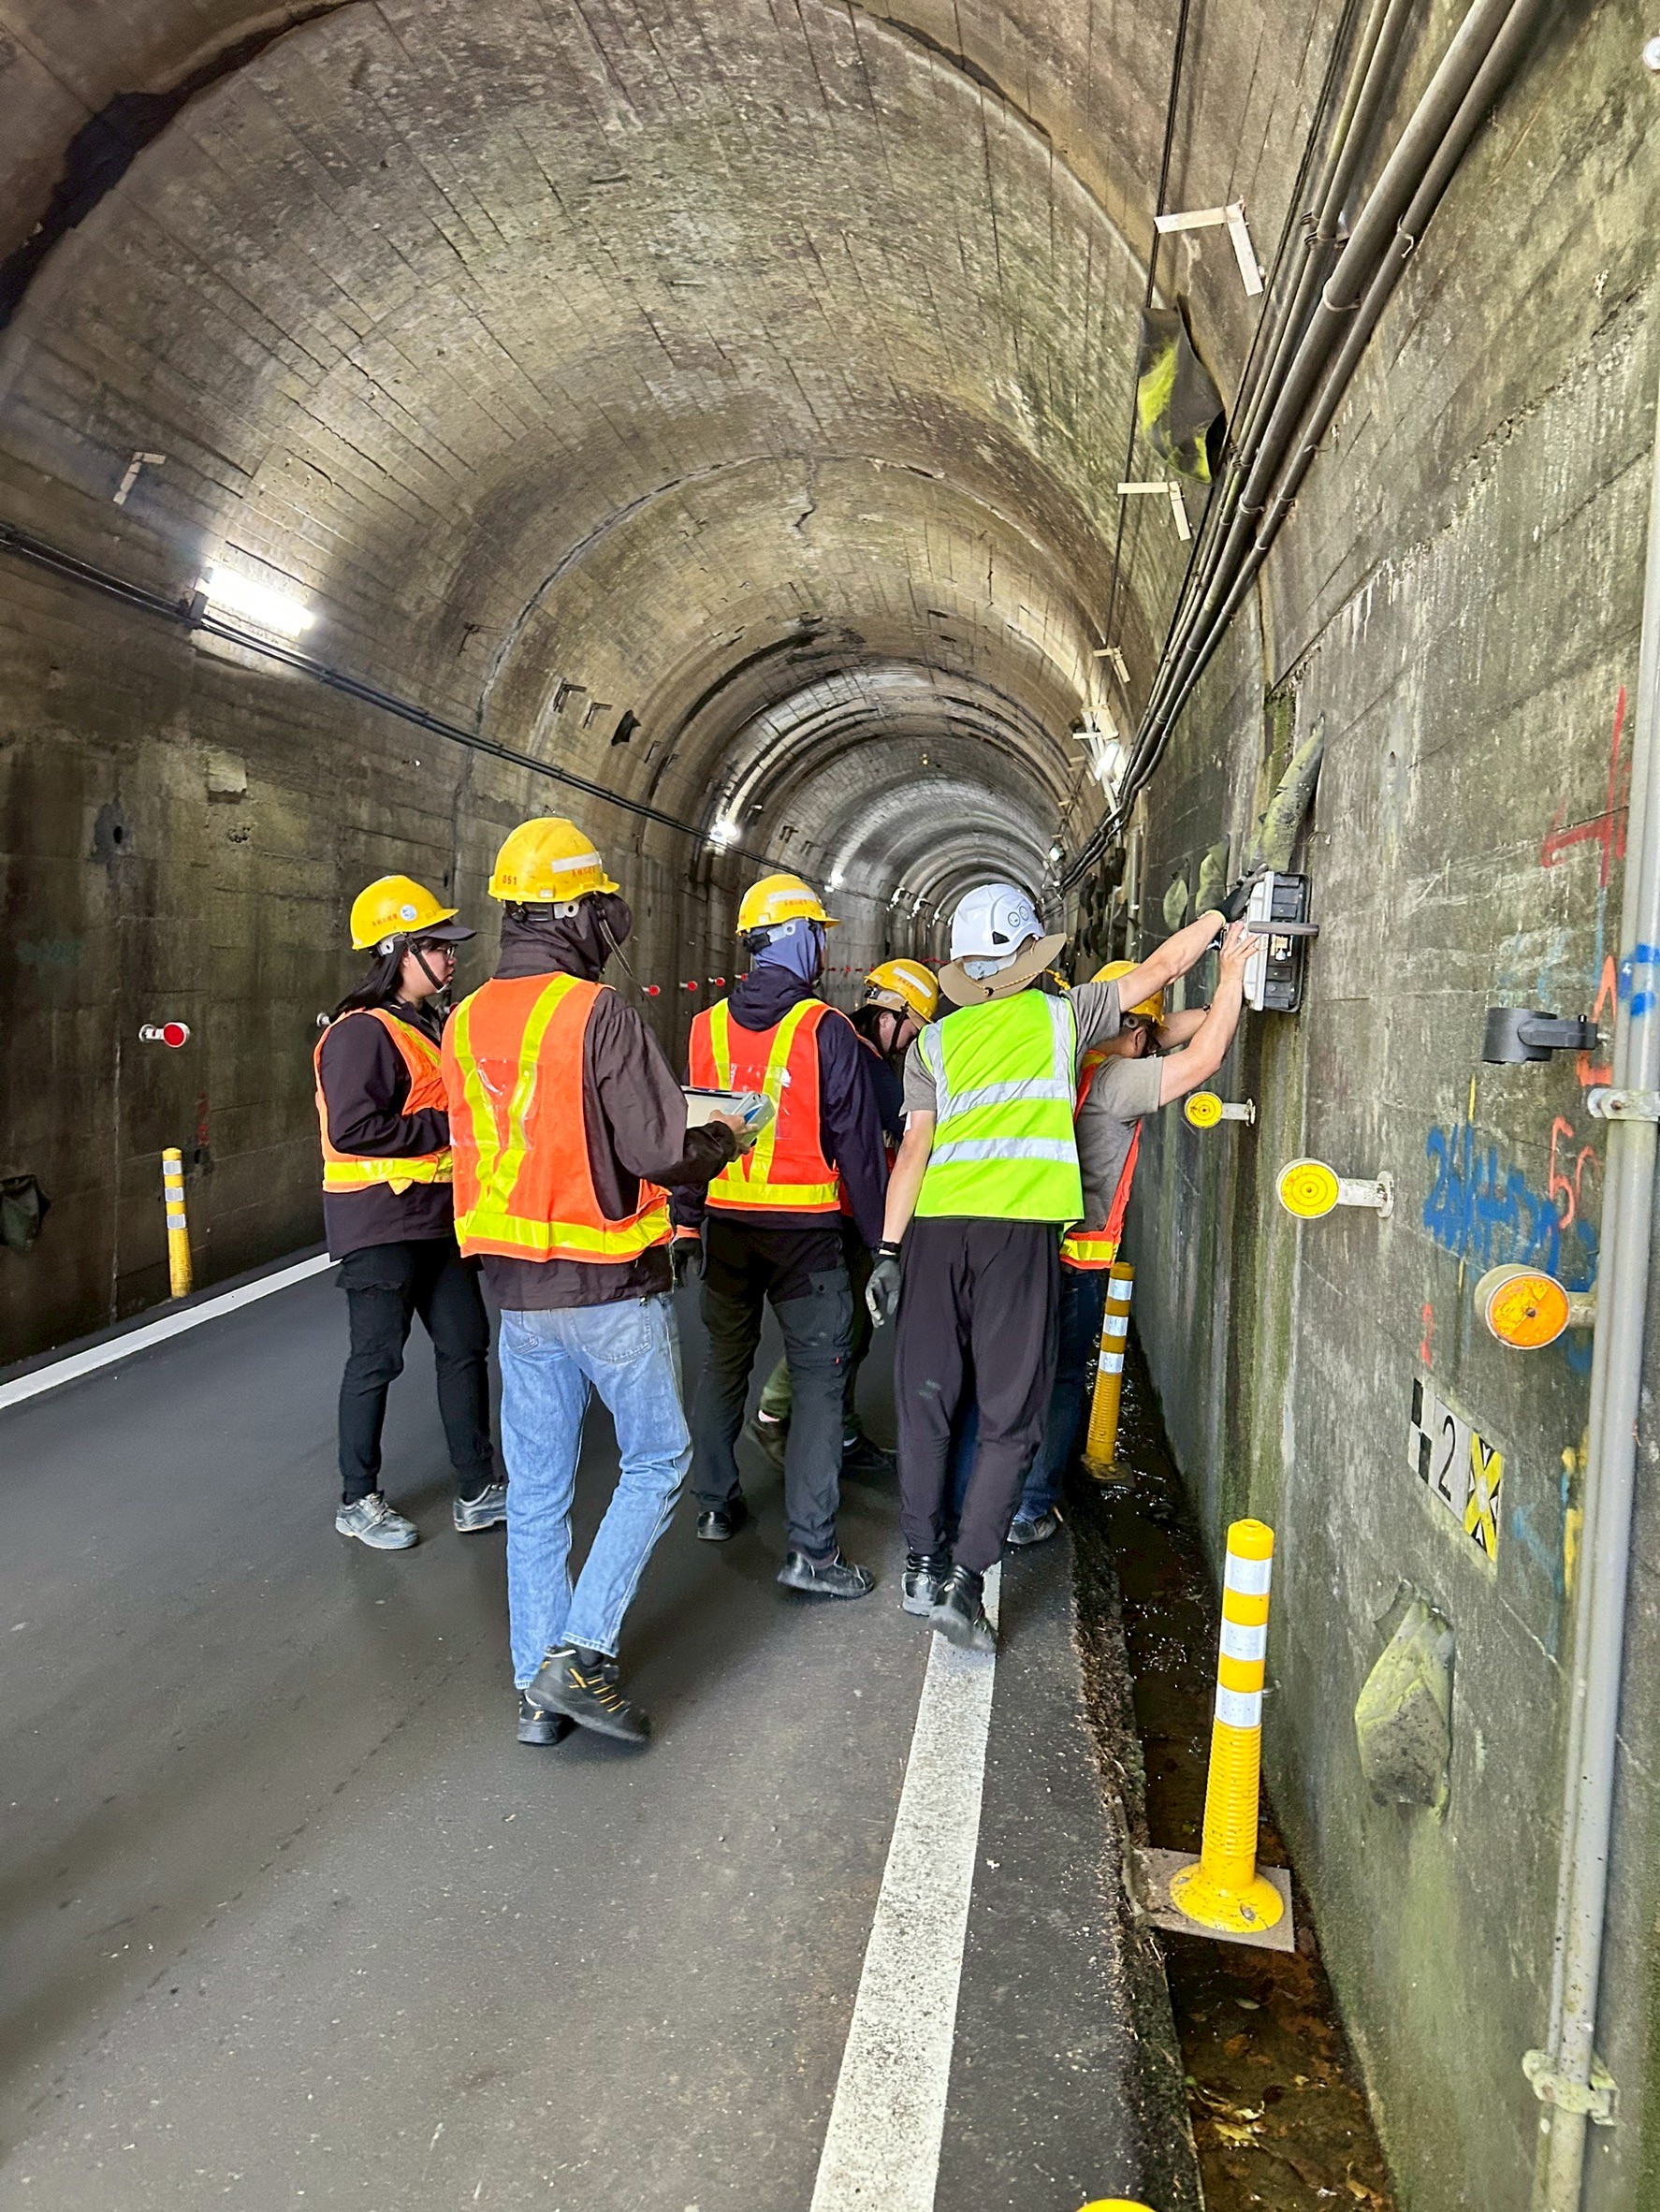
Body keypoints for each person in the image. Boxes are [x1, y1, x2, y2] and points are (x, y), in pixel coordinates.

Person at [442, 818, 747, 1750]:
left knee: (537, 1494)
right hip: (609, 1287)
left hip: (516, 1294)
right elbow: (656, 1149)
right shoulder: (595, 1013)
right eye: (601, 903)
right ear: (575, 912)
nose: (612, 918)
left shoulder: (464, 1018)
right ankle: (580, 1654)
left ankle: (536, 1696)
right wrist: (727, 1136)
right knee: (656, 1459)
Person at [867, 884, 1227, 1652]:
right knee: (1011, 1415)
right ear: (1030, 954)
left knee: (927, 1406)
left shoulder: (934, 1044)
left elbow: (915, 1151)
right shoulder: (1062, 1017)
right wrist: (1217, 922)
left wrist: (888, 1252)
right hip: (1018, 1238)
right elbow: (1162, 971)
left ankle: (922, 1566)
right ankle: (966, 1581)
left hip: (933, 1235)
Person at [676, 875, 888, 1598]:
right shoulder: (825, 1030)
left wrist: (686, 1217)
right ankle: (812, 1552)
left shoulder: (704, 1027)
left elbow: (689, 1132)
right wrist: (882, 1244)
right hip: (805, 1239)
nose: (824, 945)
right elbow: (859, 1149)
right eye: (819, 933)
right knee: (821, 1384)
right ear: (797, 938)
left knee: (724, 1364)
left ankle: (714, 1506)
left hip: (729, 1229)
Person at [1008, 927, 1253, 1544]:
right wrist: (1231, 978)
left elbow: (1166, 1034)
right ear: (1134, 1032)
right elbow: (1202, 1059)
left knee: (1024, 1374)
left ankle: (1005, 1489)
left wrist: (1229, 997)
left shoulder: (1072, 1059)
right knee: (1064, 1380)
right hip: (1078, 1265)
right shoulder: (1118, 1085)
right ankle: (1031, 1506)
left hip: (1030, 1249)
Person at [316, 874, 502, 1553]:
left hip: (435, 1217)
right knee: (377, 1358)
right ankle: (356, 1499)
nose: (452, 957)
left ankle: (477, 1488)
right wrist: (446, 1127)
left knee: (465, 1344)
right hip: (379, 1221)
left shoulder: (425, 1026)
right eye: (439, 946)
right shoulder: (361, 1033)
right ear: (400, 952)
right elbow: (353, 1129)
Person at [747, 957, 939, 1480]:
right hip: (846, 1212)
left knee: (853, 1327)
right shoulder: (862, 1061)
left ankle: (844, 1430)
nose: (913, 1041)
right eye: (914, 1027)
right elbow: (900, 1127)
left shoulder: (850, 1047)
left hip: (844, 1209)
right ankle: (773, 1413)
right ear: (889, 1014)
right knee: (843, 1327)